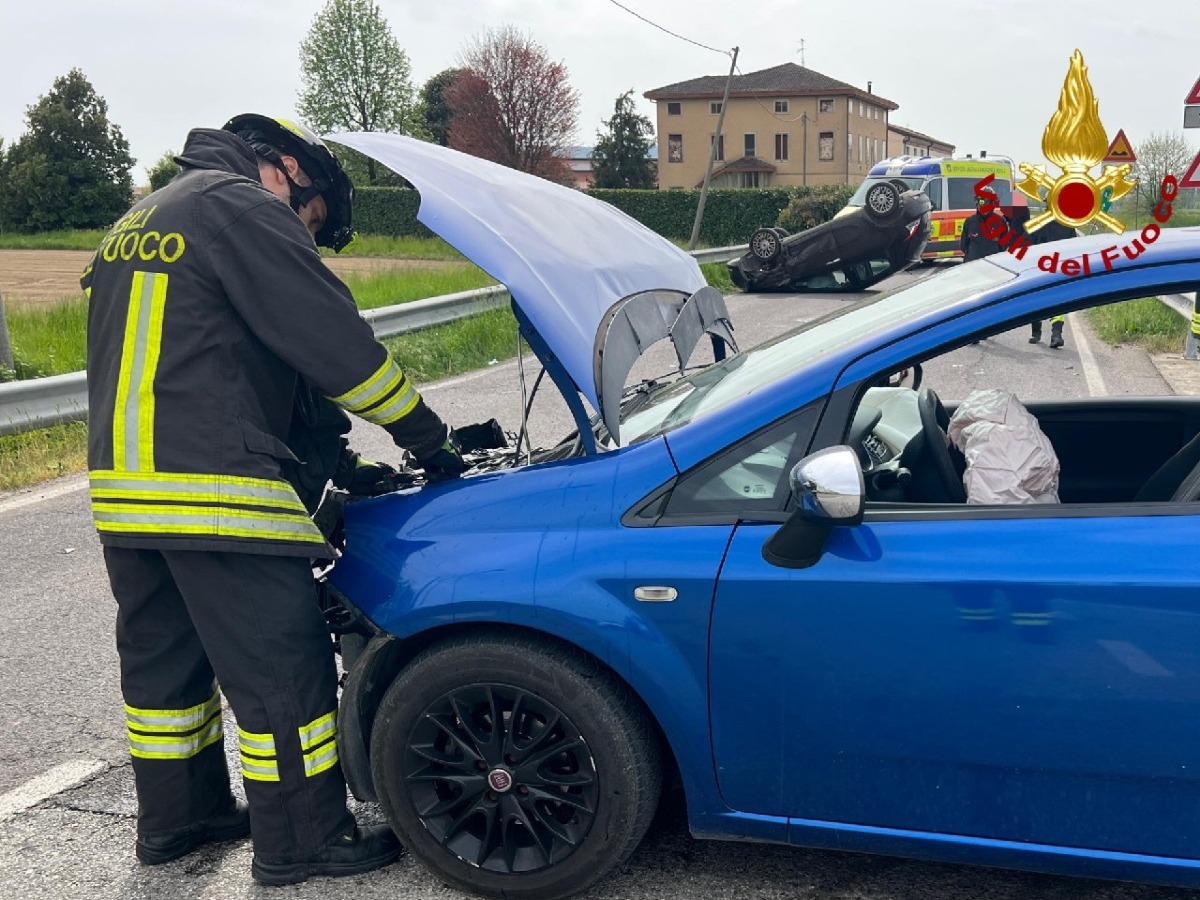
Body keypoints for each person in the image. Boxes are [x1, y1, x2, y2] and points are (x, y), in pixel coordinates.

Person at [82, 114, 466, 885]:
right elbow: (334, 347)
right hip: (214, 493)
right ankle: (302, 840)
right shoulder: (244, 208)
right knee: (281, 671)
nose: (304, 226)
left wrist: (342, 461)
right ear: (289, 169)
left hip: (127, 496)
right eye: (312, 215)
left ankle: (178, 820)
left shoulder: (144, 216)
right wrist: (427, 440)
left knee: (166, 679)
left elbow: (229, 358)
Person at [1022, 219, 1076, 348]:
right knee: (1037, 302)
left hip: (1058, 269)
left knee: (1057, 302)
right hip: (1038, 270)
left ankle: (1056, 335)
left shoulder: (1067, 226)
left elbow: (1075, 248)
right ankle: (1036, 332)